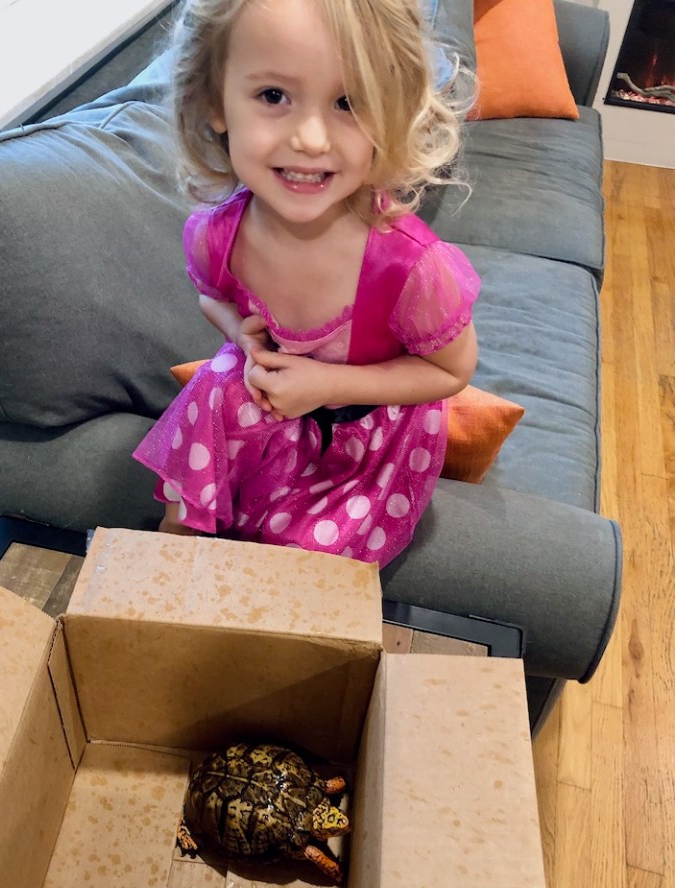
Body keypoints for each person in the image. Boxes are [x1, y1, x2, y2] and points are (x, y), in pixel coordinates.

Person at [133, 0, 480, 568]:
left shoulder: (410, 267)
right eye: (274, 96)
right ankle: (177, 538)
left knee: (300, 569)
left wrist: (325, 382)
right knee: (218, 380)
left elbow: (451, 370)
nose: (312, 139)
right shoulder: (215, 235)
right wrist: (239, 337)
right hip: (271, 399)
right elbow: (212, 298)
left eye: (349, 102)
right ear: (213, 102)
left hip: (362, 433)